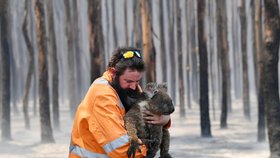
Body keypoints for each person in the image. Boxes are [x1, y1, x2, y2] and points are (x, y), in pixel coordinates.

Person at [68, 47, 171, 158]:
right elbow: (120, 149)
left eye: (137, 81)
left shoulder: (130, 87)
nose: (134, 86)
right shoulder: (101, 96)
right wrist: (149, 151)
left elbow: (149, 114)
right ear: (113, 72)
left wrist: (165, 119)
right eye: (129, 81)